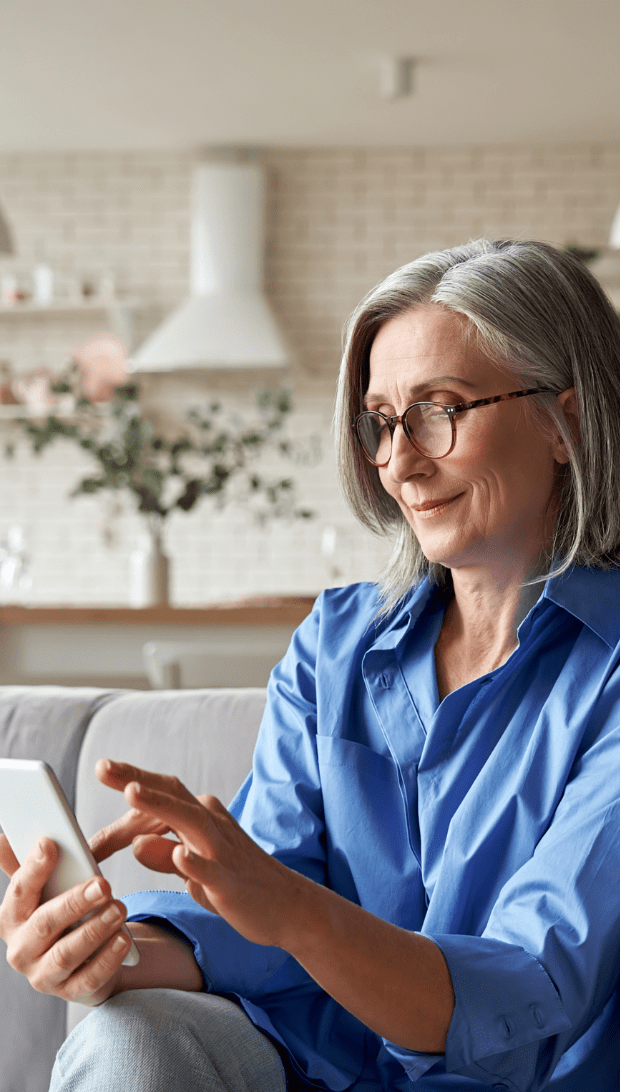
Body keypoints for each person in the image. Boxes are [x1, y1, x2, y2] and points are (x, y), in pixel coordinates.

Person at [2, 237, 620, 1092]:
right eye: (382, 421)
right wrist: (107, 952)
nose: (401, 461)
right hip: (312, 1074)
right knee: (130, 1036)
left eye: (439, 409)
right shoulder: (337, 646)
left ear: (568, 423)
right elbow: (266, 913)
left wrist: (286, 910)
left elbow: (529, 992)